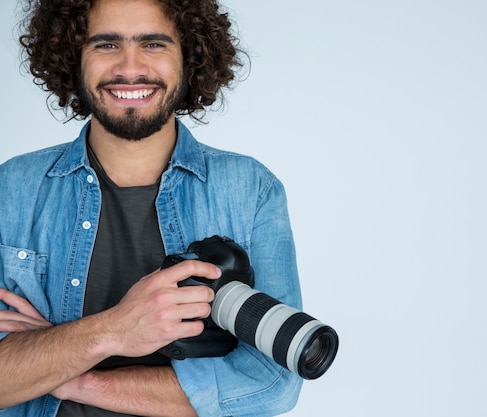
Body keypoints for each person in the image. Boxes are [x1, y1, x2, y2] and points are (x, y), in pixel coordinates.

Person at [0, 0, 303, 416]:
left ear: (190, 57)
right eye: (106, 45)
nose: (130, 67)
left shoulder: (250, 189)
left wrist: (71, 375)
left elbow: (274, 384)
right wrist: (113, 330)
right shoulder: (11, 189)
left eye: (154, 44)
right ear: (73, 57)